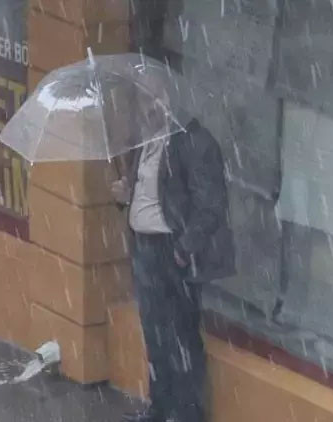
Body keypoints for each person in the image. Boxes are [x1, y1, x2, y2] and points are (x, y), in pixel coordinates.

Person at [113, 92, 235, 422]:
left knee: (181, 335)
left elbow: (210, 205)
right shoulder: (145, 143)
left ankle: (187, 413)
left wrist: (183, 250)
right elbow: (149, 195)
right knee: (154, 333)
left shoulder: (193, 142)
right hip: (144, 248)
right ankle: (160, 407)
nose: (147, 108)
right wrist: (125, 196)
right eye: (143, 100)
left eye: (154, 99)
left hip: (172, 251)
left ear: (170, 101)